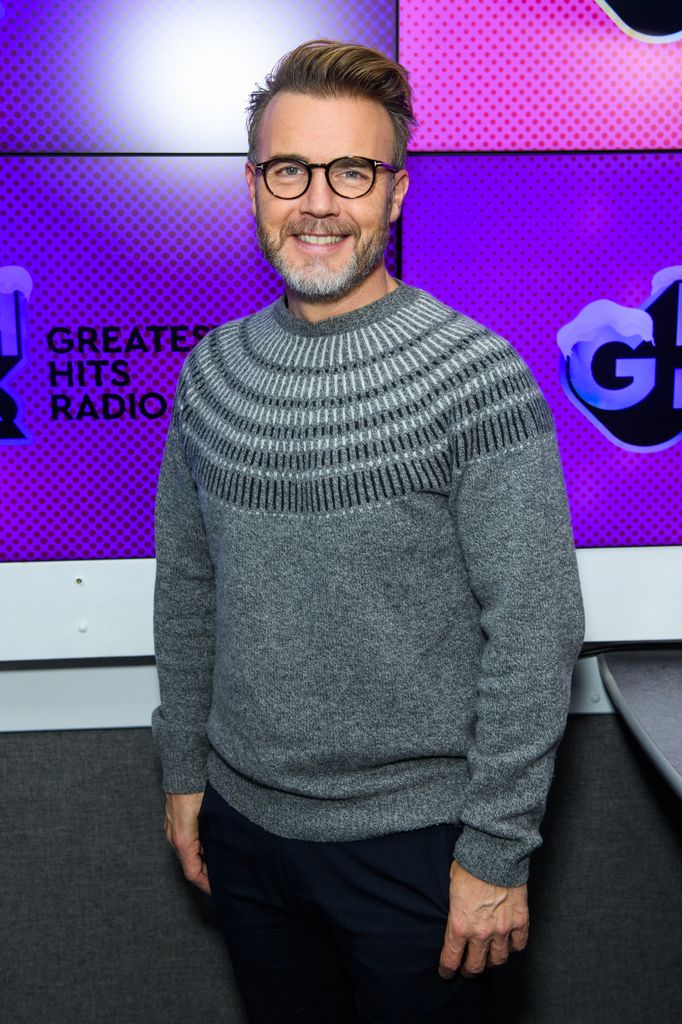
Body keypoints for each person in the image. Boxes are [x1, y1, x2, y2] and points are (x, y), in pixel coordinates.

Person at [152, 39, 585, 1024]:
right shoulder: (212, 372)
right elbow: (187, 586)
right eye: (288, 169)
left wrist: (494, 850)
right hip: (247, 834)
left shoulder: (474, 376)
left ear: (394, 193)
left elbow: (536, 630)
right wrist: (185, 771)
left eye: (352, 171)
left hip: (423, 850)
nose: (317, 202)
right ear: (253, 186)